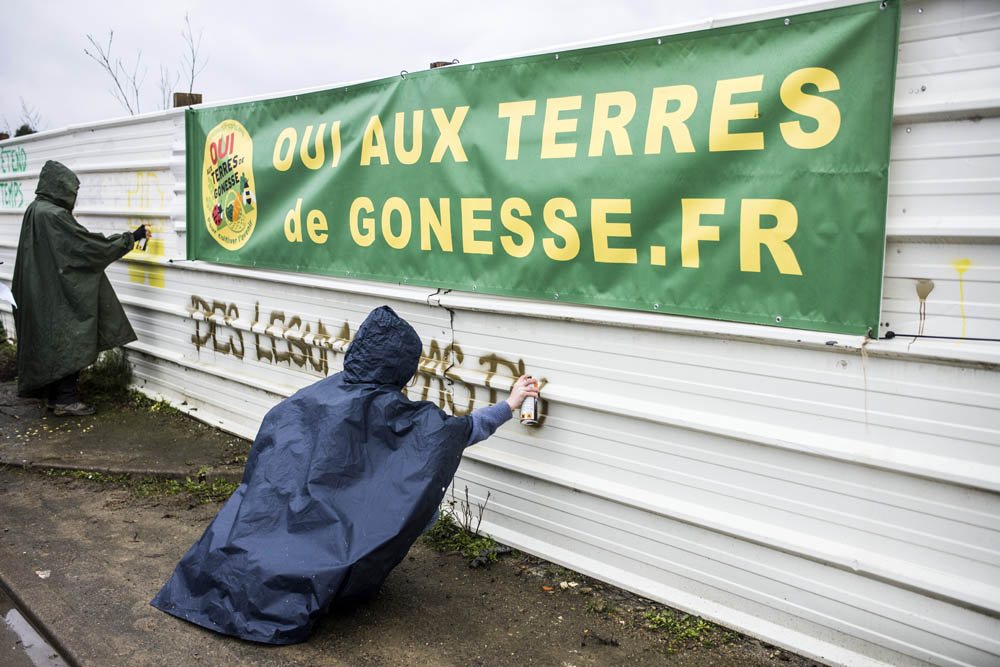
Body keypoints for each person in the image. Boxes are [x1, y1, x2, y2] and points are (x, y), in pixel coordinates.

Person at [151, 305, 539, 644]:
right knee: (418, 501)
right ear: (402, 366)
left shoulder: (313, 395)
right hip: (319, 534)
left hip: (268, 524)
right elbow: (455, 433)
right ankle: (347, 577)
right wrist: (510, 404)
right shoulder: (394, 412)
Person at [11, 160, 150, 416]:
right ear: (61, 189)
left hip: (38, 290)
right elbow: (86, 247)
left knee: (51, 343)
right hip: (55, 293)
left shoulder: (35, 209)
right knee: (71, 338)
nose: (74, 201)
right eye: (72, 194)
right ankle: (66, 399)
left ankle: (55, 398)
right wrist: (131, 238)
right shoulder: (54, 215)